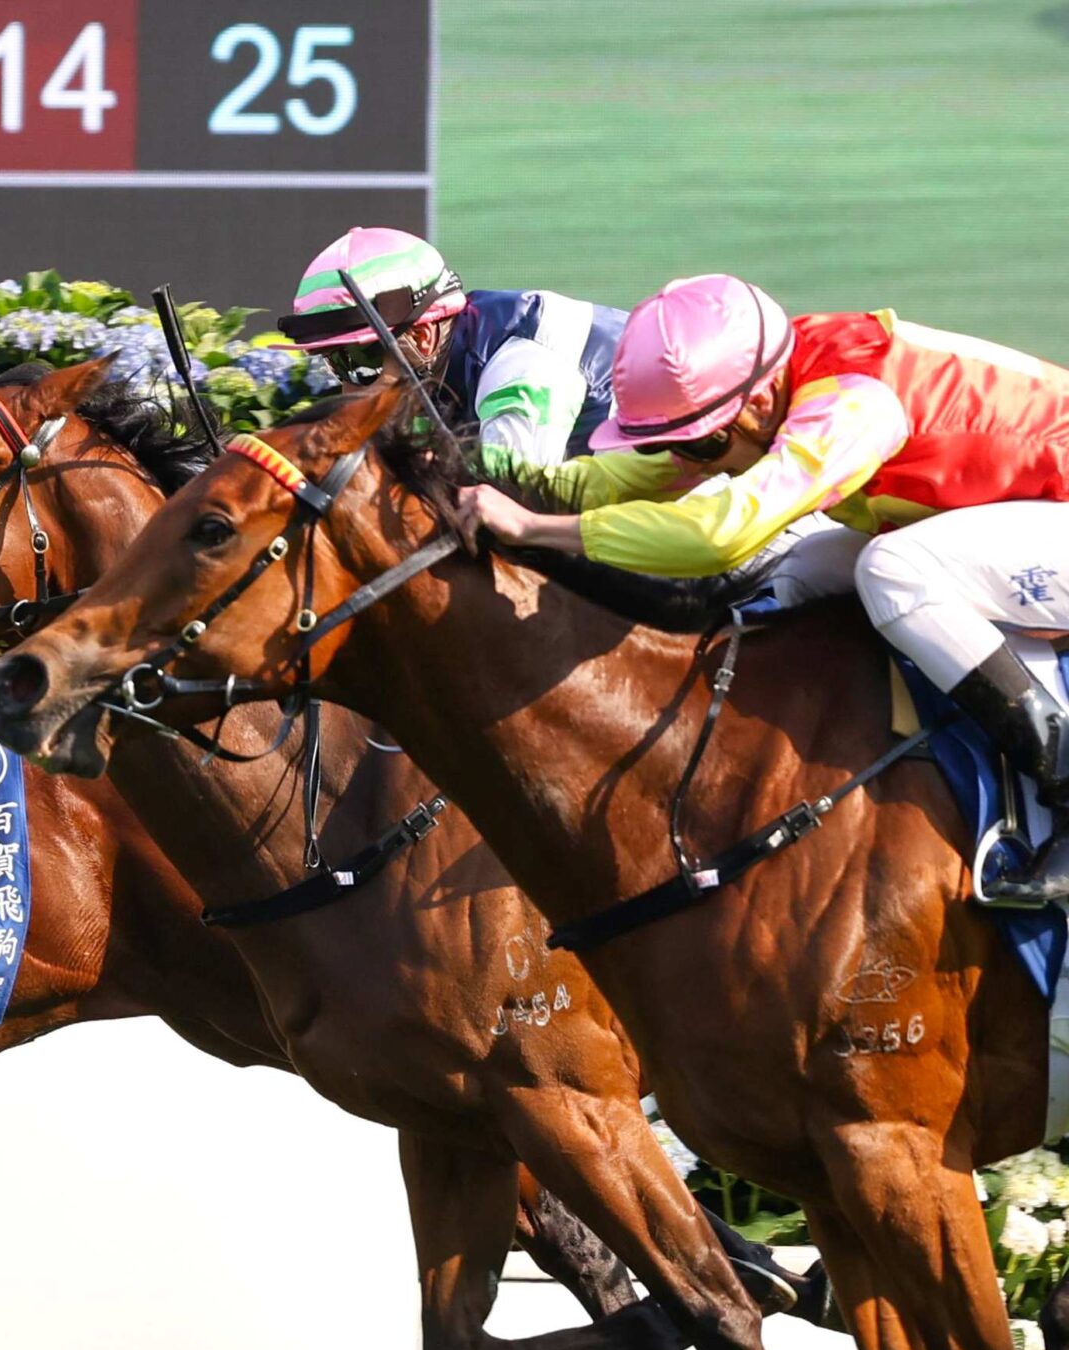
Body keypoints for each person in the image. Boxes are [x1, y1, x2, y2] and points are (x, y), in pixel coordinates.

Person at [459, 274, 1069, 903]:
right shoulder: (768, 386)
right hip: (1019, 514)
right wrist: (476, 475)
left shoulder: (852, 406)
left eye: (701, 443)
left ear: (752, 405)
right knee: (804, 571)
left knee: (891, 568)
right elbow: (616, 478)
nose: (692, 463)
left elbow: (724, 534)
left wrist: (536, 528)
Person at [280, 227, 628, 471]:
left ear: (422, 338)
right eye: (335, 365)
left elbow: (510, 510)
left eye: (360, 364)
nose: (349, 390)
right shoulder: (439, 366)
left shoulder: (520, 372)